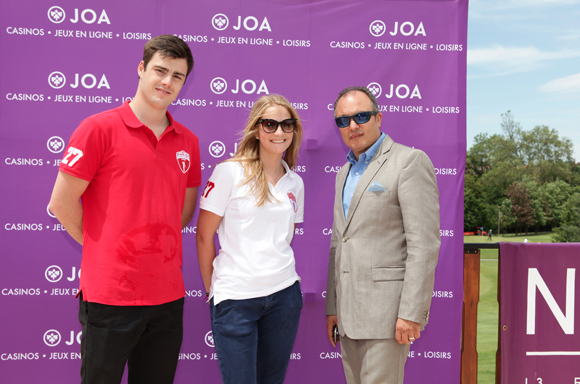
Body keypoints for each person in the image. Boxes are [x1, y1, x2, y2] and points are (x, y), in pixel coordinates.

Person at [48, 35, 200, 384]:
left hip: (167, 297)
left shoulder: (188, 141)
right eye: (160, 70)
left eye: (177, 76)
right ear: (141, 69)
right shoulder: (98, 128)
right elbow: (61, 203)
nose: (167, 81)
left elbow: (183, 213)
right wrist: (105, 249)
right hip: (110, 296)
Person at [325, 86, 440, 384]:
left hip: (388, 317)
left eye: (361, 116)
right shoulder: (343, 173)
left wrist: (411, 312)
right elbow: (340, 243)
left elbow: (423, 244)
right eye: (343, 120)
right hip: (348, 317)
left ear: (379, 118)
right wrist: (334, 308)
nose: (353, 125)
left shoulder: (409, 162)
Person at [196, 94, 304, 384]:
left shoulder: (295, 181)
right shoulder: (229, 172)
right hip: (236, 301)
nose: (279, 132)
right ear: (256, 129)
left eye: (286, 125)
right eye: (270, 124)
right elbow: (204, 236)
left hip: (284, 296)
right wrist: (213, 291)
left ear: (294, 131)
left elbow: (286, 236)